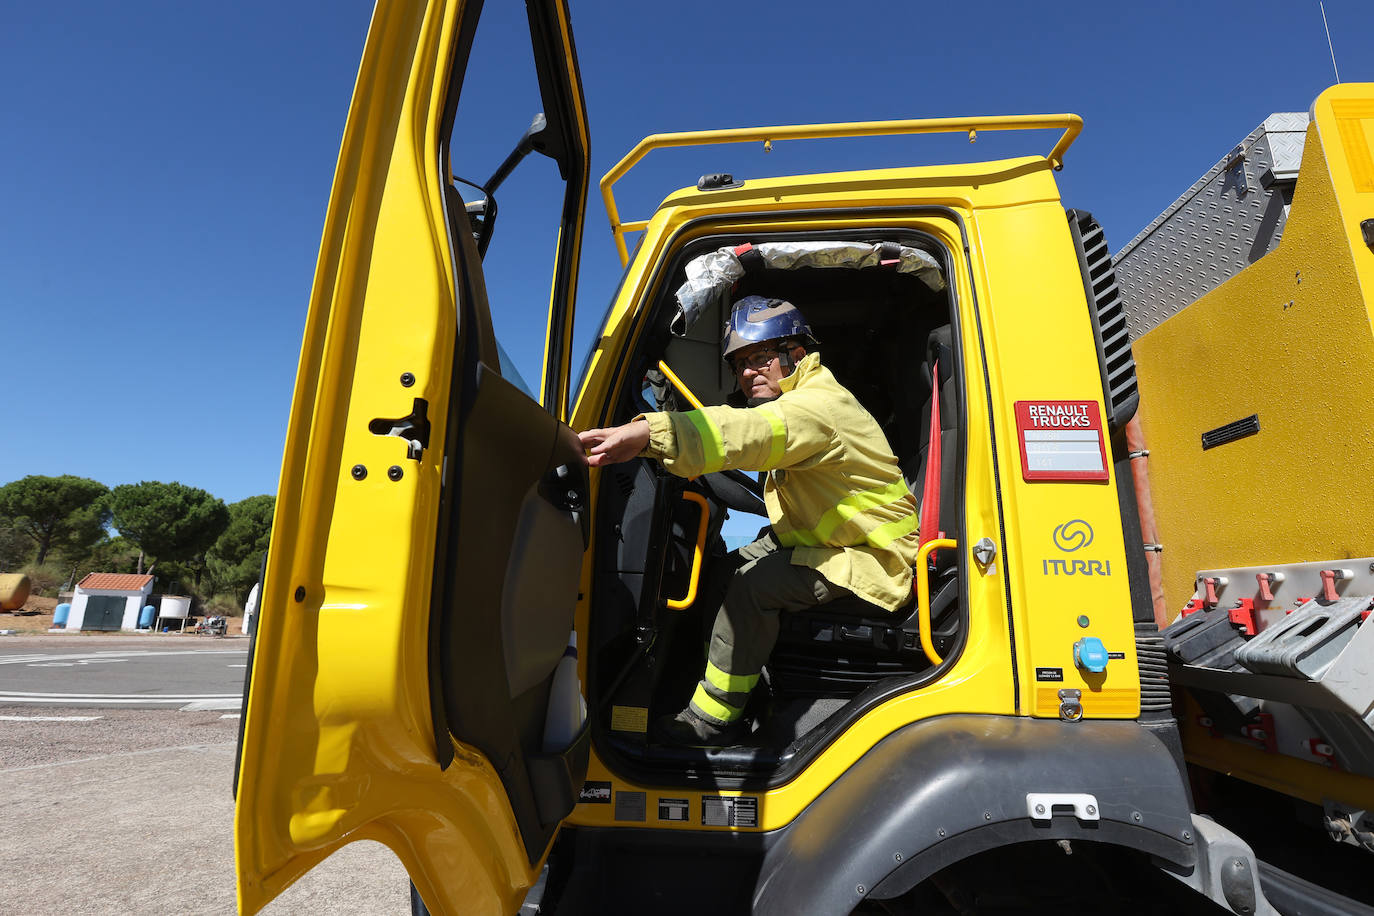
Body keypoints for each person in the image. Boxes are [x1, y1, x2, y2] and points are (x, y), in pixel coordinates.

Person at [579, 295, 920, 746]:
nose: (747, 372)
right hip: (836, 542)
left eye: (760, 357)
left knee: (752, 587)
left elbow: (747, 432)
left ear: (795, 356)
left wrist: (652, 433)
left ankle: (717, 719)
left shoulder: (816, 406)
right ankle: (738, 678)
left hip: (873, 557)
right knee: (722, 572)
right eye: (740, 363)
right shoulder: (805, 401)